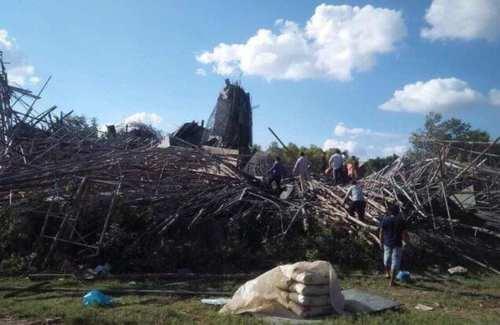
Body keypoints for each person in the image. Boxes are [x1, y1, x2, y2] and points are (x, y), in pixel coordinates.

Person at [379, 204, 408, 287]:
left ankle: (387, 273)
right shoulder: (401, 221)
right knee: (394, 263)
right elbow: (404, 233)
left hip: (387, 243)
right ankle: (391, 282)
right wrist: (405, 242)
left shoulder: (385, 220)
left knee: (386, 260)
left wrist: (380, 242)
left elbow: (381, 232)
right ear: (398, 212)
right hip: (397, 244)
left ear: (390, 211)